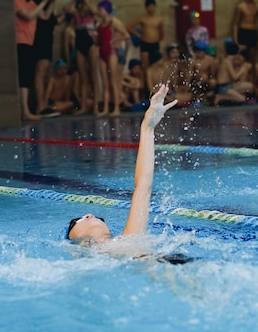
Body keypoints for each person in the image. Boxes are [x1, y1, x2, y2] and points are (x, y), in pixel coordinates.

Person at [66, 84, 178, 248]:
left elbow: (142, 188)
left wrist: (148, 128)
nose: (89, 215)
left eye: (92, 216)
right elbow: (142, 189)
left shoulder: (126, 240)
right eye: (77, 221)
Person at [15, 0, 50, 121]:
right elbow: (28, 16)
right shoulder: (16, 0)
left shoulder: (31, 3)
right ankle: (24, 111)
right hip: (20, 41)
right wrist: (44, 2)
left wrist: (51, 1)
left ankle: (25, 110)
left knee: (26, 76)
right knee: (23, 77)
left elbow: (45, 16)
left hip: (29, 42)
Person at [64, 0, 99, 114]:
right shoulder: (76, 12)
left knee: (94, 76)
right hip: (80, 41)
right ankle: (83, 107)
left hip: (90, 41)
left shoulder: (90, 10)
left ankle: (95, 107)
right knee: (83, 77)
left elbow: (95, 12)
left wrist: (86, 1)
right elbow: (66, 9)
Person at [95, 0, 129, 116]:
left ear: (107, 10)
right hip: (102, 53)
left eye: (100, 9)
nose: (99, 12)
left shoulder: (113, 23)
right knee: (105, 83)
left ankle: (116, 108)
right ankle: (105, 109)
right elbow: (98, 41)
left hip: (111, 53)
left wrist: (116, 40)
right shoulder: (99, 25)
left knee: (113, 81)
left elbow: (126, 35)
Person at [32, 0, 62, 117]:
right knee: (40, 73)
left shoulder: (47, 2)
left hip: (46, 41)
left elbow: (52, 19)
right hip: (39, 40)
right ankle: (40, 106)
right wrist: (50, 1)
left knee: (43, 73)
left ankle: (42, 104)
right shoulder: (35, 1)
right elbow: (45, 17)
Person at [127, 0, 164, 74]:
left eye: (153, 6)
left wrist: (158, 41)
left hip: (155, 44)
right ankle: (145, 85)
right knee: (145, 67)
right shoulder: (142, 18)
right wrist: (138, 35)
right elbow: (129, 27)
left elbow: (162, 33)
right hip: (145, 44)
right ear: (146, 8)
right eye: (149, 6)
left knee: (155, 66)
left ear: (155, 7)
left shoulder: (159, 20)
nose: (151, 8)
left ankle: (154, 84)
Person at [232, 0, 258, 66]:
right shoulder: (241, 7)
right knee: (242, 56)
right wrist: (235, 38)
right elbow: (235, 23)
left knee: (252, 57)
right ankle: (243, 75)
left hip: (253, 32)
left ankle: (251, 75)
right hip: (243, 32)